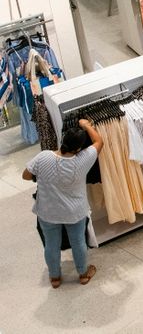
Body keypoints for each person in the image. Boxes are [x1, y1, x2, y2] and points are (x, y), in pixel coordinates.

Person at [23, 119, 104, 288]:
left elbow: (26, 175)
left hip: (48, 211)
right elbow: (99, 142)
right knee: (78, 242)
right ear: (79, 149)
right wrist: (87, 125)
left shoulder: (43, 157)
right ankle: (82, 274)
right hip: (74, 212)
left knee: (51, 244)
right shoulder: (82, 161)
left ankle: (55, 278)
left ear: (63, 139)